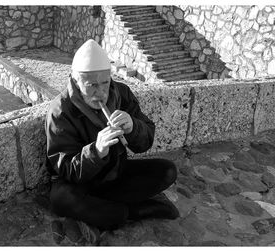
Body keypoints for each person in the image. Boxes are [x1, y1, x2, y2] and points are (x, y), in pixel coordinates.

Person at [45, 39, 179, 244]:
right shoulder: (60, 111)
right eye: (92, 85)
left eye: (105, 83)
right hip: (82, 184)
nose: (101, 92)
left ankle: (110, 210)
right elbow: (65, 169)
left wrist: (133, 126)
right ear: (75, 80)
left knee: (168, 171)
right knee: (61, 199)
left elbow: (145, 143)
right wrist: (95, 152)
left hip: (115, 172)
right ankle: (134, 211)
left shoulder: (122, 93)